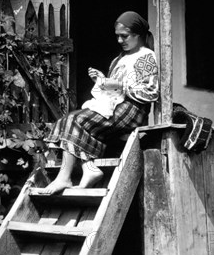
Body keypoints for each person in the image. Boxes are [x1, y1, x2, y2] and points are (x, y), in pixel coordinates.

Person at [42, 11, 159, 194]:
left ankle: (65, 178)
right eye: (117, 36)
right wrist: (102, 80)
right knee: (68, 119)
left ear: (139, 35)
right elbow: (112, 90)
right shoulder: (118, 59)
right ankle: (88, 169)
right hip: (114, 107)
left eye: (125, 36)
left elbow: (151, 92)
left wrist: (118, 84)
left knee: (76, 121)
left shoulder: (146, 57)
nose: (120, 41)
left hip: (132, 110)